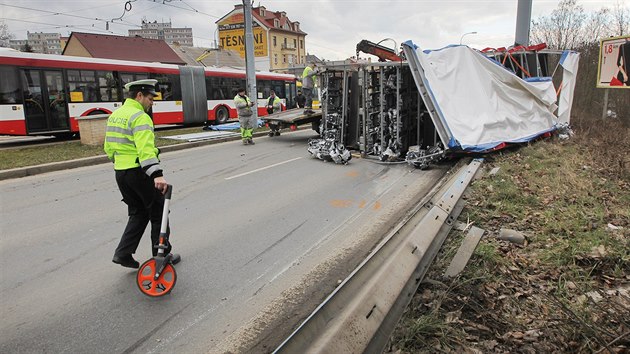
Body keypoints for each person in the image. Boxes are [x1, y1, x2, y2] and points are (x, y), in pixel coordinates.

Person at [104, 79, 180, 269]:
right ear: (139, 96)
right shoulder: (140, 117)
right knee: (159, 212)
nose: (152, 102)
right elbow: (145, 149)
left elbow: (108, 147)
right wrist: (157, 174)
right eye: (150, 98)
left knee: (138, 213)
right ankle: (161, 255)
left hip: (121, 173)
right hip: (140, 172)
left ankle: (123, 253)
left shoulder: (116, 114)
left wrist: (121, 163)